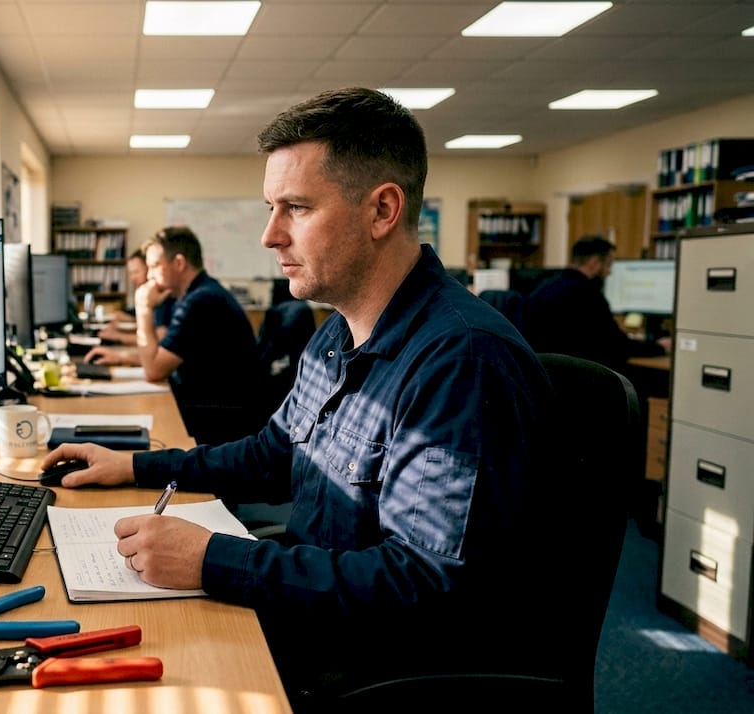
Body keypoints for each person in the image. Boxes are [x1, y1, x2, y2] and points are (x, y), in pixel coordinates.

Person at [41, 87, 560, 707]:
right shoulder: (337, 334)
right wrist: (134, 465)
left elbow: (424, 582)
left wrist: (213, 560)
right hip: (309, 605)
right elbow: (274, 452)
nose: (269, 235)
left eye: (295, 208)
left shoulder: (462, 360)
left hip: (371, 662)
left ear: (382, 210)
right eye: (271, 207)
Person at [93, 225, 262, 444]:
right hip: (209, 406)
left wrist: (143, 308)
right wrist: (123, 358)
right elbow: (165, 353)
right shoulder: (198, 294)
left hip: (218, 419)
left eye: (154, 266)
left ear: (179, 263)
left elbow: (153, 370)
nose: (149, 275)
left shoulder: (201, 301)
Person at [524, 235, 670, 370]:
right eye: (609, 265)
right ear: (594, 263)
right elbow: (619, 346)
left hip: (545, 378)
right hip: (578, 379)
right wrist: (660, 347)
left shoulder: (544, 286)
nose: (609, 273)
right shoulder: (587, 294)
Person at [90, 247, 173, 356]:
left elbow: (159, 338)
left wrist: (118, 337)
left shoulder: (164, 297)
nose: (133, 279)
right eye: (131, 273)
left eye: (136, 272)